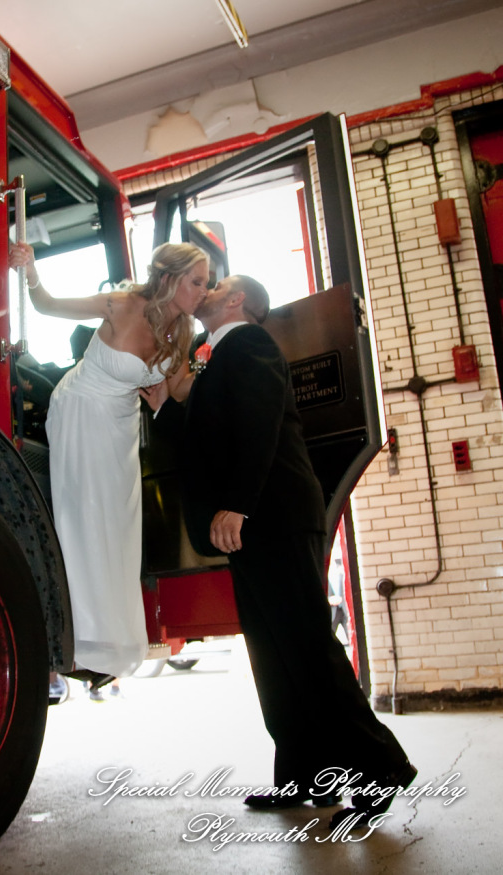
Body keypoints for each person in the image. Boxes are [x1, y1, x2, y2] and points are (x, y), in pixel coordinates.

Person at [173, 274, 415, 830]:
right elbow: (209, 439)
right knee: (273, 655)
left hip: (271, 515)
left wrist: (238, 503)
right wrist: (167, 406)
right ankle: (304, 777)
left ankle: (383, 768)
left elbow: (259, 427)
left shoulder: (250, 343)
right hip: (250, 525)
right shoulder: (213, 357)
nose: (206, 289)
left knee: (305, 646)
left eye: (217, 285)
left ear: (237, 301)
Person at [8, 241, 207, 679]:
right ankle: (76, 632)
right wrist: (31, 270)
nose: (202, 292)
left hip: (122, 427)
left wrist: (216, 374)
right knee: (84, 517)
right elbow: (46, 305)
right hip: (79, 410)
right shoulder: (119, 304)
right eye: (196, 282)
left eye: (206, 284)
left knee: (118, 526)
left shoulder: (184, 334)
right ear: (170, 278)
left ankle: (107, 636)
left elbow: (178, 390)